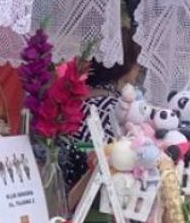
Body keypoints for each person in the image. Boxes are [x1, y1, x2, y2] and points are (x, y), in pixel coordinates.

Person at [60, 41, 140, 188]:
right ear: (126, 66)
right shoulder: (114, 108)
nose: (138, 69)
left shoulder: (80, 97)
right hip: (96, 185)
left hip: (68, 181)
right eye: (137, 63)